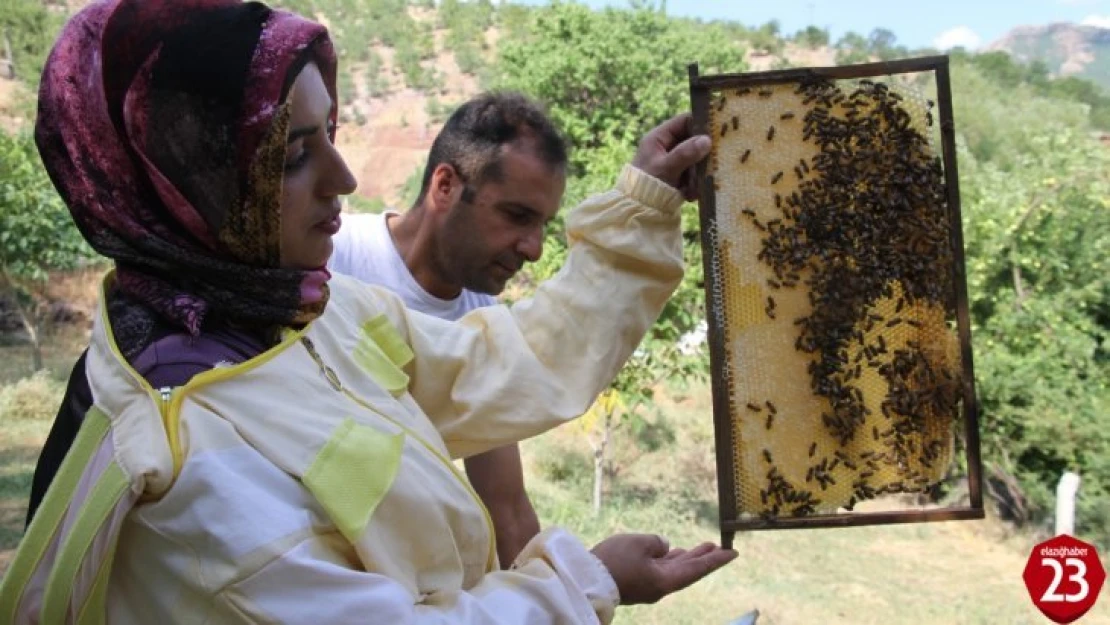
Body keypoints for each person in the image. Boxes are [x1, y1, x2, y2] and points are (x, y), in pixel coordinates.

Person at [1, 1, 735, 623]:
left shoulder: (310, 313)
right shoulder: (188, 455)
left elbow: (499, 362)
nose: (343, 178)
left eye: (332, 135)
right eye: (290, 154)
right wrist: (587, 581)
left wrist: (642, 205)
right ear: (189, 180)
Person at [327, 92, 568, 566]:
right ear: (445, 186)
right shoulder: (331, 259)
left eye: (543, 224)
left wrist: (571, 599)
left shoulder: (481, 321)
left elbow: (508, 508)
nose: (535, 248)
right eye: (517, 216)